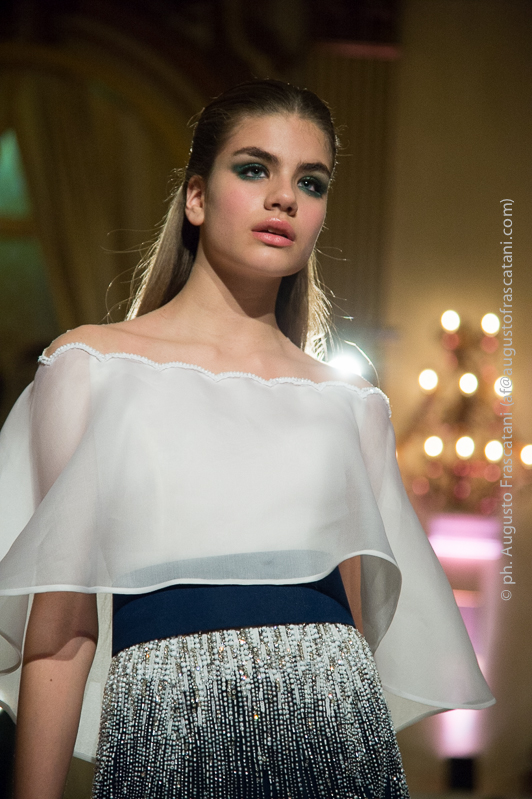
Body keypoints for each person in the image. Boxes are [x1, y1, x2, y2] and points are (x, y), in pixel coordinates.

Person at [0, 79, 494, 799]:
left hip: (334, 726)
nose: (284, 198)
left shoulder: (349, 403)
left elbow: (357, 627)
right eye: (255, 169)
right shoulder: (91, 367)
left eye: (311, 182)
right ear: (196, 198)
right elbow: (64, 628)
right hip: (167, 725)